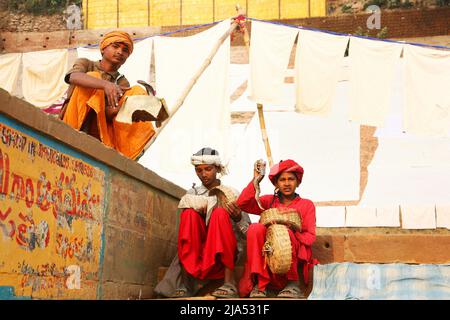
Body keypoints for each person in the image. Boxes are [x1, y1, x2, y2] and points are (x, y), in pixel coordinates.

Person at [155, 147, 251, 298]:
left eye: (208, 169)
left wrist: (238, 218)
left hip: (224, 251)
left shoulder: (231, 193)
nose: (203, 174)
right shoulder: (192, 193)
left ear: (217, 168)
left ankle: (229, 282)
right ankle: (186, 283)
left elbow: (247, 234)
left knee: (219, 213)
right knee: (189, 214)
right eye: (199, 170)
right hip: (199, 248)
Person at [59, 30, 155, 160]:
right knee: (93, 77)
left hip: (100, 135)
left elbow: (107, 116)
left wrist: (116, 110)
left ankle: (131, 154)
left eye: (125, 50)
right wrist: (105, 85)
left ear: (127, 57)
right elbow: (73, 77)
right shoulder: (86, 64)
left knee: (136, 91)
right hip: (72, 125)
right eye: (115, 47)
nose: (120, 52)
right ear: (103, 49)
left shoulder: (121, 82)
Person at [237, 159, 318, 298]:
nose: (287, 183)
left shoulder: (306, 205)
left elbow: (310, 237)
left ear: (298, 182)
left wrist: (290, 230)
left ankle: (293, 284)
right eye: (282, 180)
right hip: (270, 258)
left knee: (285, 232)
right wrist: (256, 180)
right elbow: (242, 203)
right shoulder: (269, 201)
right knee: (255, 228)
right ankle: (261, 284)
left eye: (291, 179)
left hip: (291, 261)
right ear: (276, 183)